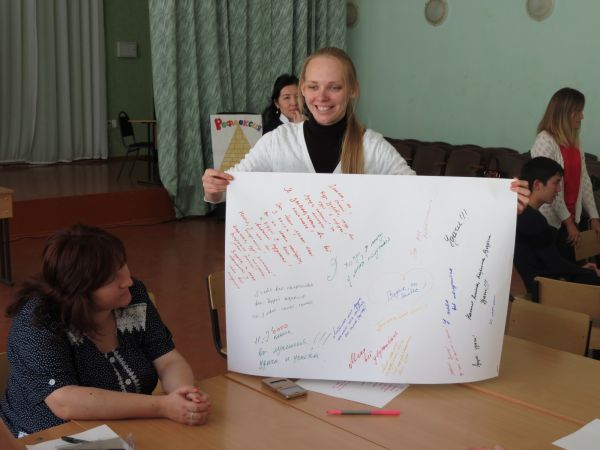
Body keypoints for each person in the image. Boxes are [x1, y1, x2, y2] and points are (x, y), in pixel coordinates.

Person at [203, 47, 530, 210]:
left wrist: (496, 205)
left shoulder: (372, 147)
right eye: (313, 86)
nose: (322, 97)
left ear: (353, 90)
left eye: (334, 87)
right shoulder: (277, 142)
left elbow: (425, 196)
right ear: (302, 89)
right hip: (290, 279)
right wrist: (214, 187)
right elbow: (229, 187)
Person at [0, 225, 211, 437]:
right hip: (49, 436)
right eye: (111, 278)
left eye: (123, 265)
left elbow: (167, 358)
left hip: (126, 428)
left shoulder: (133, 296)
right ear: (79, 290)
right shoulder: (38, 318)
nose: (127, 281)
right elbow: (64, 401)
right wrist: (162, 406)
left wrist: (183, 394)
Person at [531, 87, 600, 261]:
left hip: (571, 219)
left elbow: (584, 180)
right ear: (566, 113)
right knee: (555, 270)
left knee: (572, 269)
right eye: (579, 111)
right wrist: (568, 222)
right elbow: (549, 186)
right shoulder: (544, 140)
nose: (582, 116)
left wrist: (594, 216)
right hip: (550, 223)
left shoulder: (574, 141)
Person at [514, 157, 600, 294]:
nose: (559, 189)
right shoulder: (534, 220)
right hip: (543, 290)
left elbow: (551, 261)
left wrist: (580, 269)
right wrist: (588, 272)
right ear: (537, 185)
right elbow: (555, 265)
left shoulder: (520, 213)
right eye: (556, 183)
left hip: (538, 282)